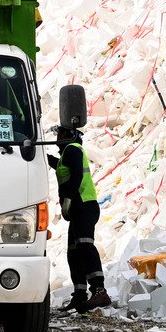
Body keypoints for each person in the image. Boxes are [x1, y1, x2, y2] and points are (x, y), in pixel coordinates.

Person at [52, 125, 111, 313]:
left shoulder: (72, 150)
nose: (57, 137)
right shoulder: (66, 155)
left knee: (85, 246)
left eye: (60, 133)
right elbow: (60, 165)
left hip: (84, 206)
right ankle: (79, 295)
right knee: (73, 252)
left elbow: (77, 175)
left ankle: (99, 290)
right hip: (79, 209)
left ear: (69, 135)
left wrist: (68, 199)